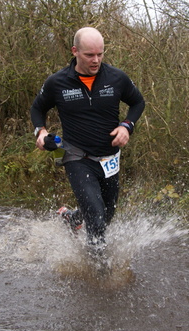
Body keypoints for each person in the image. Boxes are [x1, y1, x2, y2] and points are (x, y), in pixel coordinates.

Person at [30, 27, 145, 254]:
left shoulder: (116, 78)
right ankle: (99, 275)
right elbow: (37, 108)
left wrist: (127, 126)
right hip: (74, 154)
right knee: (96, 216)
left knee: (106, 212)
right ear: (75, 51)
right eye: (89, 55)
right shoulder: (57, 82)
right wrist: (40, 132)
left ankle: (73, 218)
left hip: (109, 156)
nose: (96, 60)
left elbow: (138, 103)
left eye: (100, 54)